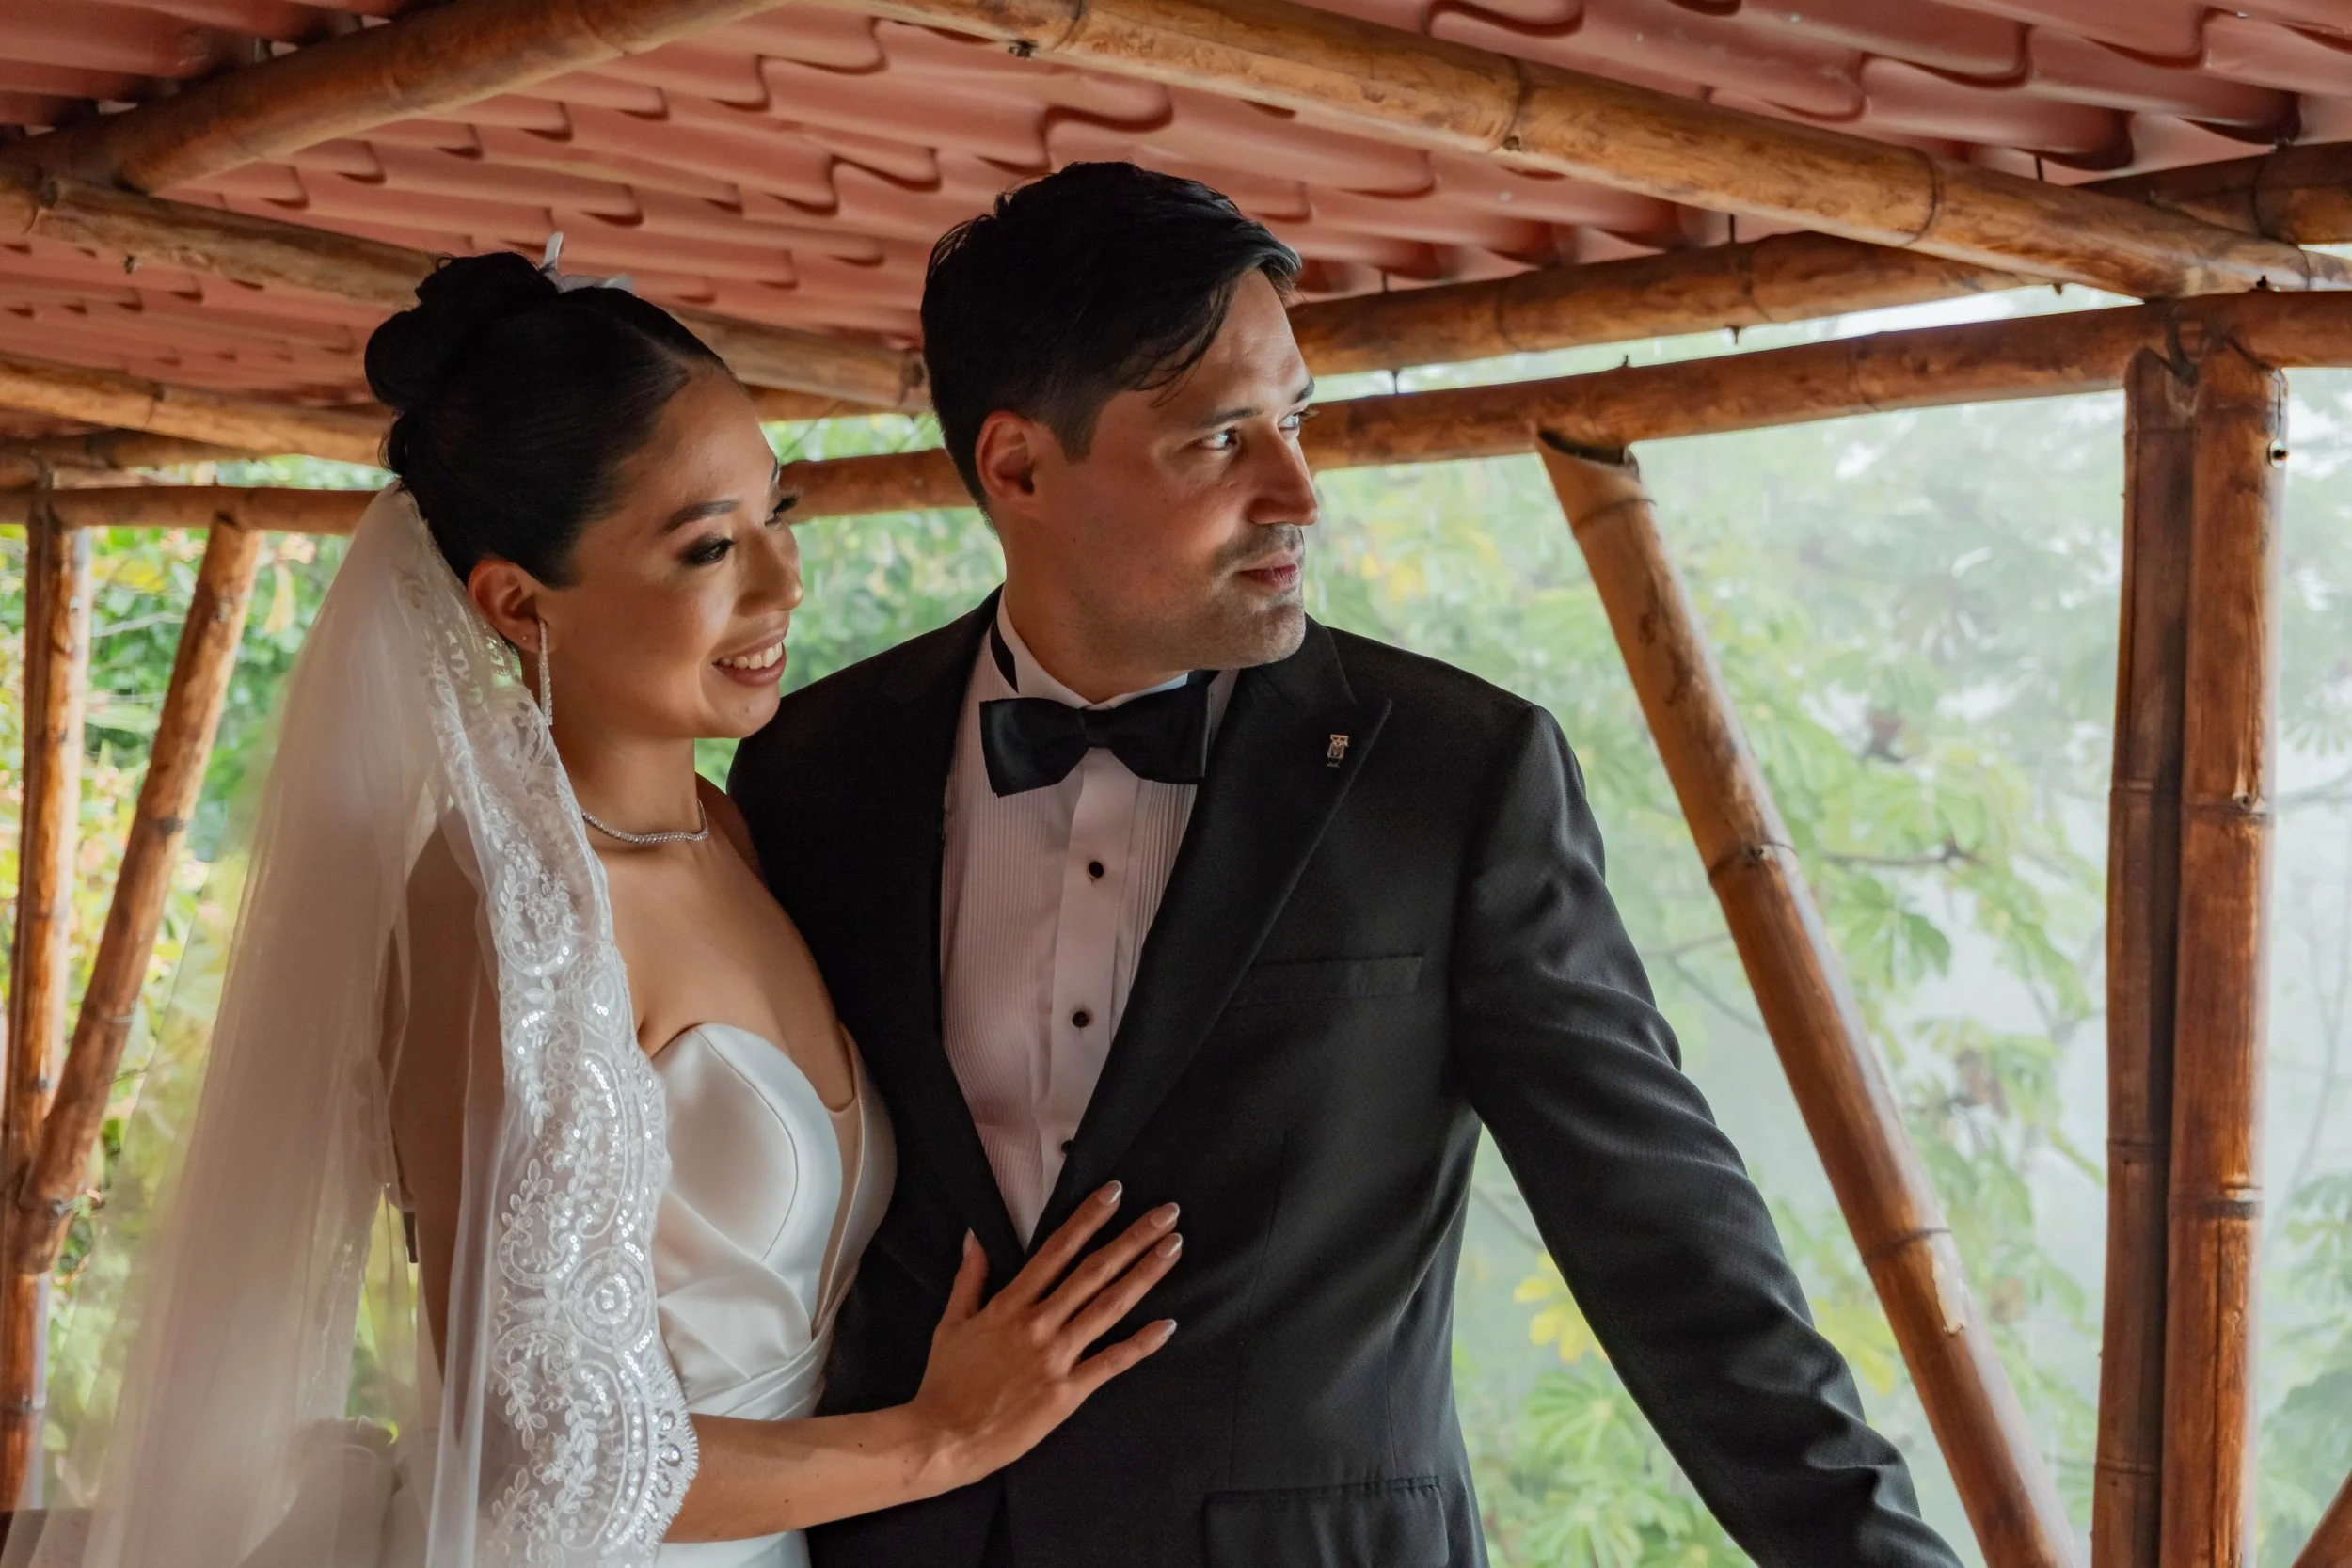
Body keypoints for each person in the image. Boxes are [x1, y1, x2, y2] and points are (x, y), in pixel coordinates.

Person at [729, 162, 1965, 1568]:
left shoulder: (1454, 774)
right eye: (1220, 439)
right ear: (1018, 464)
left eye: (1297, 418)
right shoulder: (813, 773)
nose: (1298, 488)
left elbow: (1669, 1242)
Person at [13, 247, 1176, 1568]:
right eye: (705, 547)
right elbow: (545, 1462)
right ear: (517, 600)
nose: (782, 583)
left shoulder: (737, 831)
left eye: (776, 512)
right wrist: (943, 1440)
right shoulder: (504, 914)